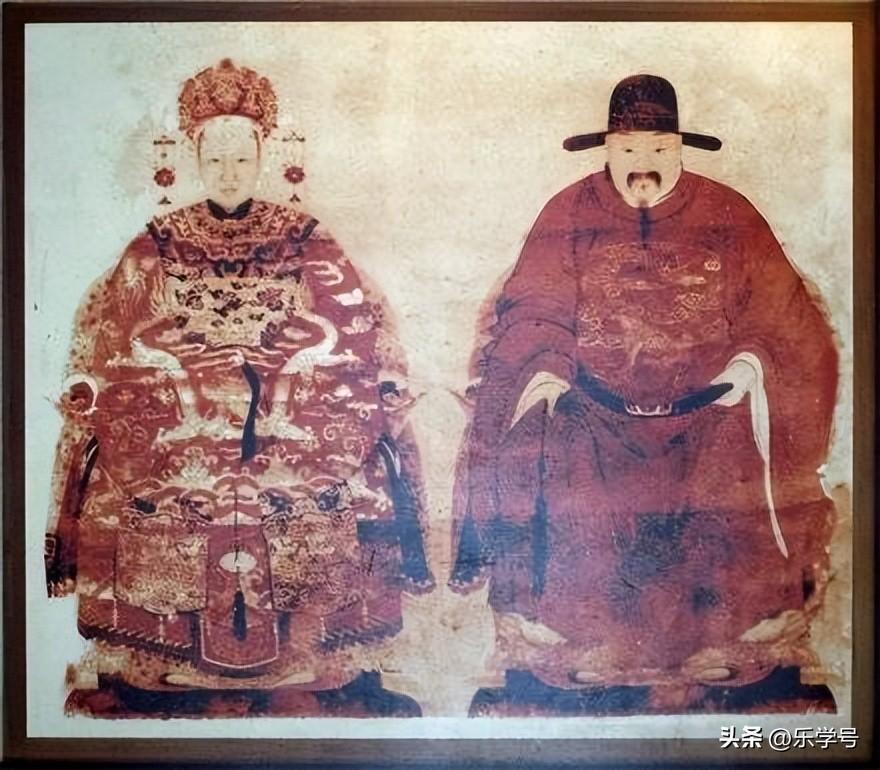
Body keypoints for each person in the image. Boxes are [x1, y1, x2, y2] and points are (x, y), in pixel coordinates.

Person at [44, 59, 432, 717]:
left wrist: (359, 379)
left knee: (340, 466)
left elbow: (355, 320)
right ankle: (161, 658)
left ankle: (315, 655)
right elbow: (114, 329)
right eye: (215, 157)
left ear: (264, 156)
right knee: (145, 469)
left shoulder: (306, 238)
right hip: (183, 412)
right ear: (193, 158)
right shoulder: (158, 242)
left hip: (289, 411)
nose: (229, 171)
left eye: (242, 156)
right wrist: (143, 381)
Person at [450, 74, 839, 711]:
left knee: (729, 475)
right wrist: (546, 366)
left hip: (711, 411)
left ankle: (721, 640)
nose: (644, 165)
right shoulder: (569, 212)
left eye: (659, 149)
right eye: (629, 149)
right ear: (607, 149)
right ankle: (588, 641)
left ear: (679, 149)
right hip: (592, 413)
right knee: (564, 468)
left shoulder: (729, 214)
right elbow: (536, 306)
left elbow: (783, 316)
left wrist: (751, 363)